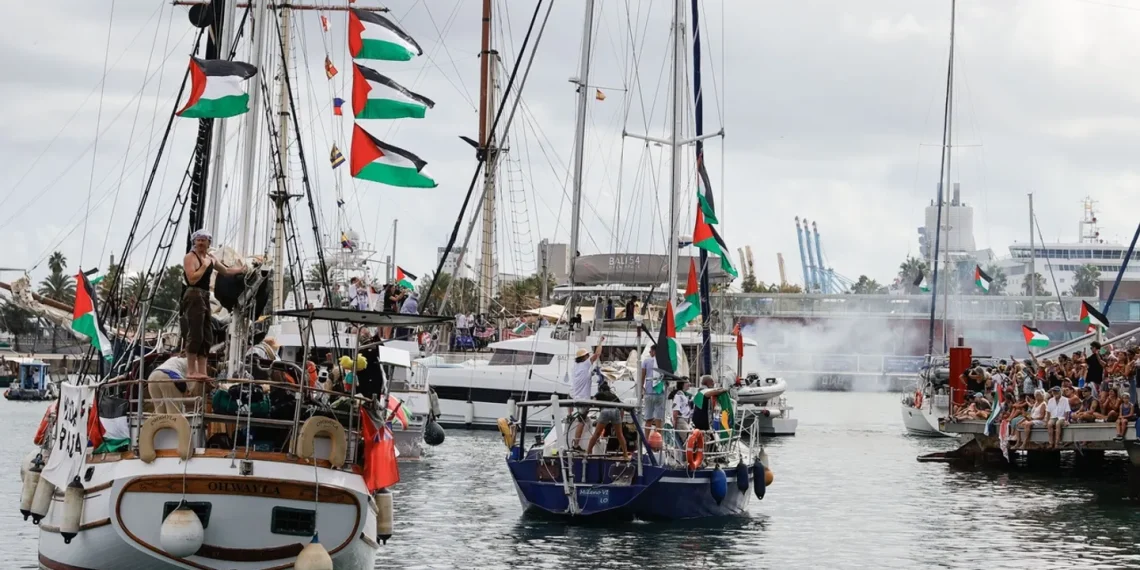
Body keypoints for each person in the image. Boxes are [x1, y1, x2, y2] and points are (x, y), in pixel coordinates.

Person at [181, 229, 243, 379]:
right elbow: (192, 279)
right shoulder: (190, 257)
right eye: (198, 240)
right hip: (194, 293)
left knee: (206, 335)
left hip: (205, 296)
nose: (201, 243)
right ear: (194, 242)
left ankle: (201, 371)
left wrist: (242, 270)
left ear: (209, 242)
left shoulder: (211, 258)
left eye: (204, 240)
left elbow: (226, 271)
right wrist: (204, 265)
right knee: (195, 332)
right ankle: (190, 371)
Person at [568, 337, 605, 450]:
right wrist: (600, 342)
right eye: (587, 356)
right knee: (581, 422)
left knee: (582, 419)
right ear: (583, 358)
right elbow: (597, 354)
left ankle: (569, 416)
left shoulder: (576, 367)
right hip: (583, 399)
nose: (588, 357)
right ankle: (575, 445)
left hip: (575, 397)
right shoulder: (585, 364)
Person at [585, 381, 628, 457]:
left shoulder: (599, 394)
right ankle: (625, 454)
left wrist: (586, 410)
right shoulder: (614, 395)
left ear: (601, 389)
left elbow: (592, 402)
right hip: (616, 411)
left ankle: (588, 452)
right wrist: (620, 420)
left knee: (596, 434)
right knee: (620, 435)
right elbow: (621, 409)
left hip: (605, 411)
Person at [641, 345, 666, 431]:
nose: (649, 353)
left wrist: (641, 387)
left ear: (654, 352)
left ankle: (646, 440)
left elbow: (643, 375)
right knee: (659, 420)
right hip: (659, 392)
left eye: (650, 351)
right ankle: (659, 440)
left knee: (648, 419)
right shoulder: (663, 362)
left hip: (649, 392)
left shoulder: (646, 361)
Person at [669, 379, 692, 444]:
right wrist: (674, 422)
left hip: (685, 420)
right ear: (682, 384)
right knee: (688, 440)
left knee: (686, 440)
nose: (689, 383)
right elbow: (675, 409)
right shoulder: (678, 395)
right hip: (680, 420)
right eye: (687, 382)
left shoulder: (683, 395)